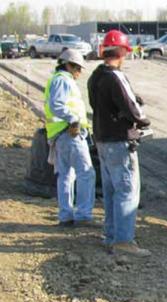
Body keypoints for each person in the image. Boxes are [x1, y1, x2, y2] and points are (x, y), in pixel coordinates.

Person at [87, 29, 152, 257]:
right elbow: (131, 107)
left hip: (102, 139)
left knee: (111, 190)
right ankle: (124, 241)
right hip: (118, 141)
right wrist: (143, 120)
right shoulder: (116, 76)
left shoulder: (96, 76)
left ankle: (111, 235)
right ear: (123, 51)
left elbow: (98, 104)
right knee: (127, 190)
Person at [45, 48, 95, 227]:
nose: (79, 72)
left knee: (66, 176)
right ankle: (83, 215)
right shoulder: (63, 81)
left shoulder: (57, 80)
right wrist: (73, 119)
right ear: (68, 65)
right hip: (69, 133)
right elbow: (57, 105)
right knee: (86, 173)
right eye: (77, 68)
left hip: (60, 135)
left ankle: (66, 216)